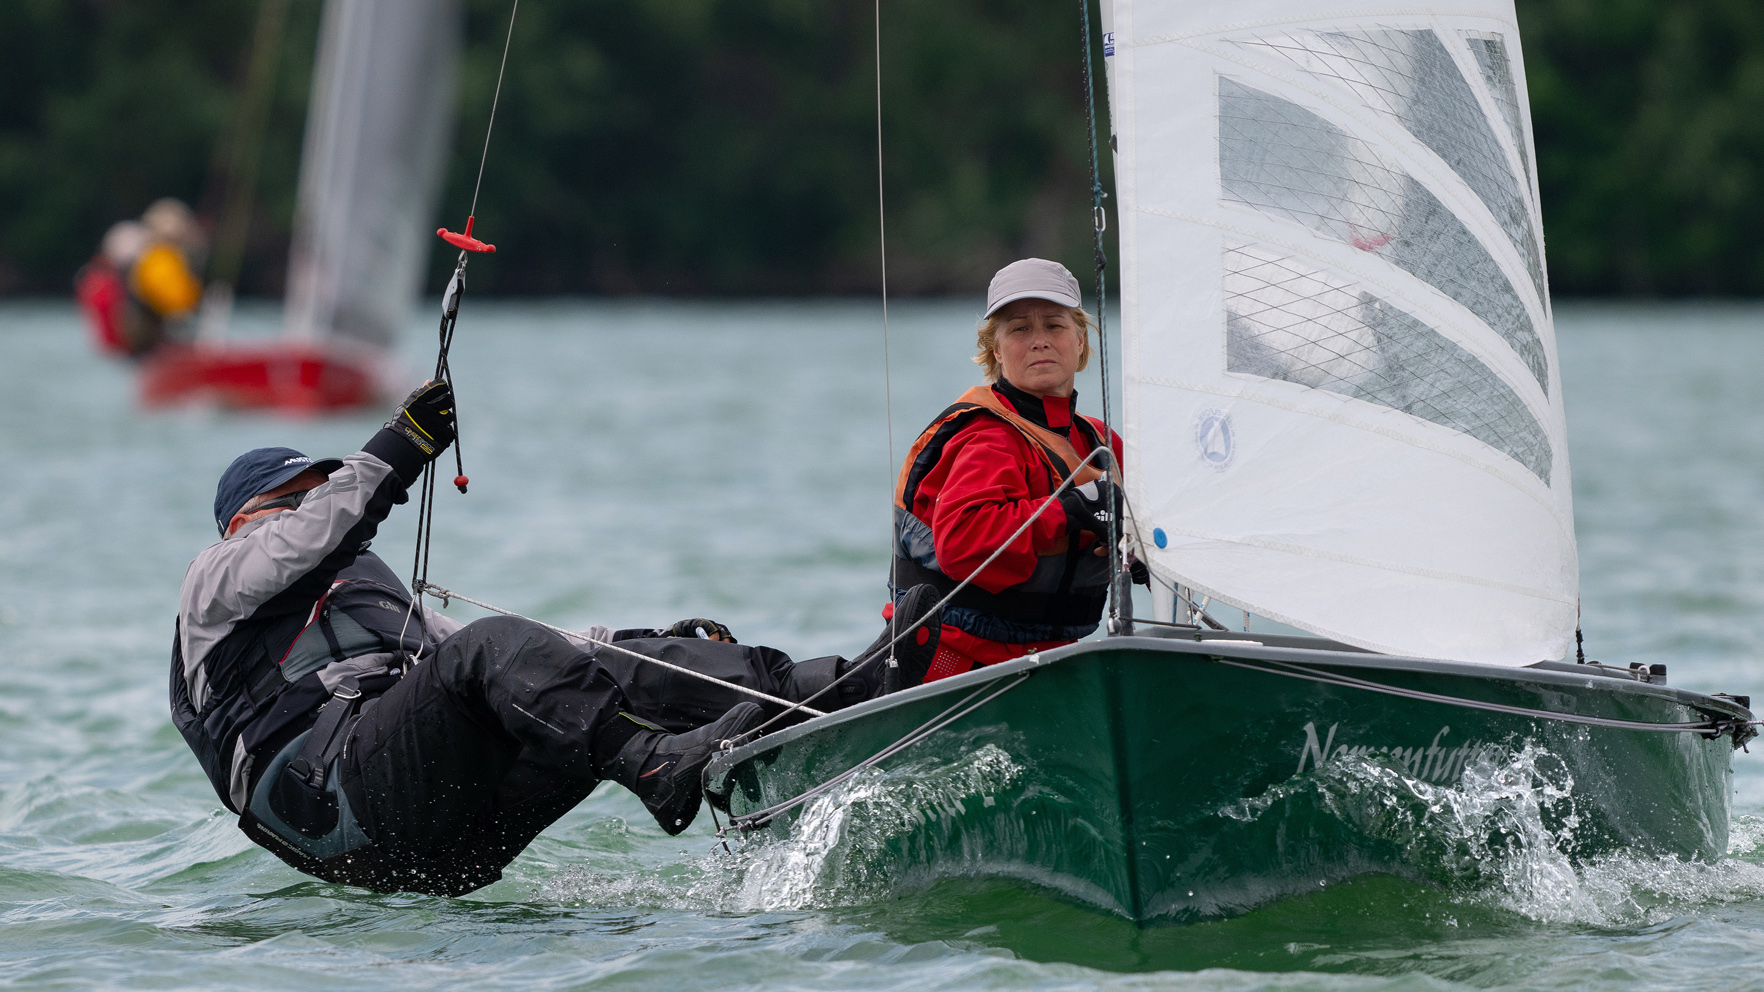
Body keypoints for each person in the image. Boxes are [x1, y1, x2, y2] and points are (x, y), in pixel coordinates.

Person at [171, 380, 943, 896]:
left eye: (323, 492)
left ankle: (849, 691)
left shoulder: (363, 581)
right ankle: (657, 766)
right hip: (345, 816)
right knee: (490, 648)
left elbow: (519, 658)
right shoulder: (213, 583)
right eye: (299, 496)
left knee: (606, 666)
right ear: (247, 517)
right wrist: (397, 446)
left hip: (451, 841)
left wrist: (638, 644)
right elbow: (316, 538)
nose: (319, 504)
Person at [888, 258, 1126, 683]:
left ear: (1080, 341)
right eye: (1020, 329)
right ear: (996, 351)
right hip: (953, 666)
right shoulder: (987, 438)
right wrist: (1068, 509)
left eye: (1054, 325)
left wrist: (1142, 553)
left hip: (1052, 664)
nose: (1039, 341)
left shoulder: (1102, 445)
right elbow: (961, 545)